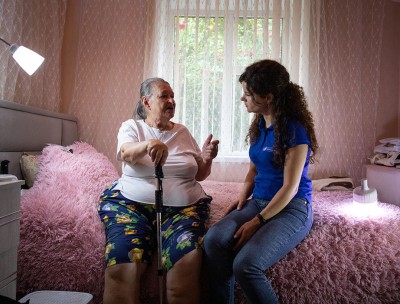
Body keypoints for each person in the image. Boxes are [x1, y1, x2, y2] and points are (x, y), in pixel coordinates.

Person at [203, 59, 319, 304]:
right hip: (259, 201)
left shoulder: (294, 130)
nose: (243, 99)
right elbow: (253, 171)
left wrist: (257, 221)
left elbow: (290, 187)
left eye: (248, 94)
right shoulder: (259, 125)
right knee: (214, 240)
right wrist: (244, 196)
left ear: (268, 97)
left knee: (246, 265)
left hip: (292, 207)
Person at [98, 77, 219, 304]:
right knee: (122, 267)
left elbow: (199, 174)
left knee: (187, 261)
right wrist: (148, 144)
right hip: (131, 207)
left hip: (184, 209)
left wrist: (206, 159)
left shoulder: (182, 132)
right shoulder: (132, 127)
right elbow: (126, 153)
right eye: (164, 96)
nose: (171, 100)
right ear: (146, 102)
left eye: (172, 96)